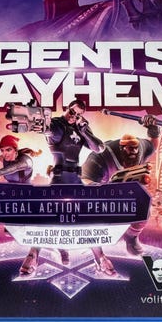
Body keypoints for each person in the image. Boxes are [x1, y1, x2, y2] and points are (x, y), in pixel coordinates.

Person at [20, 99, 117, 277]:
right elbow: (47, 128)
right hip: (59, 178)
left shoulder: (80, 128)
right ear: (66, 108)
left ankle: (100, 258)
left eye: (78, 115)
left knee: (85, 217)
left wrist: (84, 131)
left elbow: (99, 148)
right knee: (48, 216)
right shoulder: (57, 124)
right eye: (72, 112)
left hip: (75, 179)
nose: (74, 116)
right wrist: (35, 118)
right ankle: (33, 255)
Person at [81, 114, 159, 255]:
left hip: (129, 188)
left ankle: (131, 237)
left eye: (135, 149)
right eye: (130, 149)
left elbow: (153, 144)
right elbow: (84, 178)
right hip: (104, 188)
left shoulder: (141, 147)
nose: (134, 152)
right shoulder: (101, 156)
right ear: (122, 149)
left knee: (143, 208)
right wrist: (98, 190)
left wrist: (153, 129)